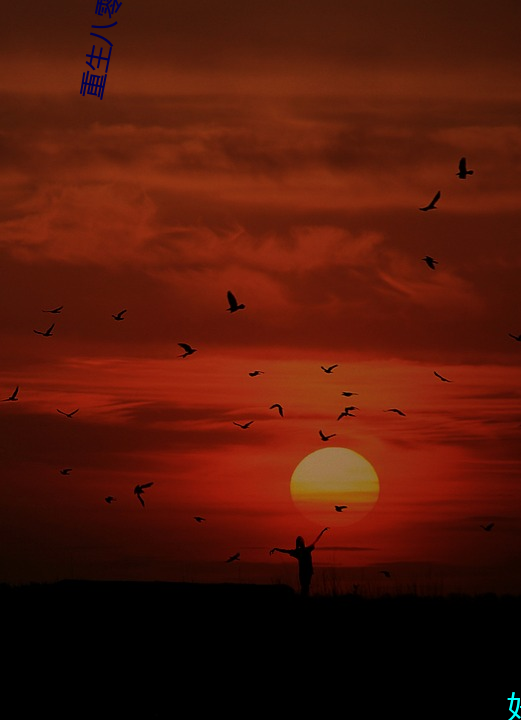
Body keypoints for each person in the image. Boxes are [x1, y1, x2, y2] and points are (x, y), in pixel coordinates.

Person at [269, 527, 329, 597]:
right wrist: (276, 549)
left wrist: (322, 531)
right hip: (306, 571)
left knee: (305, 586)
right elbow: (316, 540)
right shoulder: (303, 550)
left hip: (306, 571)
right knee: (305, 586)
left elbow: (316, 540)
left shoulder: (300, 551)